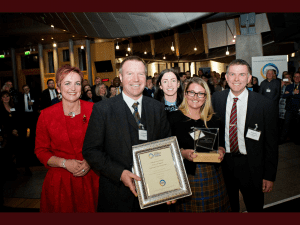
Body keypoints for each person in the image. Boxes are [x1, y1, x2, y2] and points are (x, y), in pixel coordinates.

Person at [82, 55, 175, 212]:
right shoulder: (103, 109)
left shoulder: (157, 108)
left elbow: (167, 147)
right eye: (130, 74)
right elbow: (91, 151)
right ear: (120, 77)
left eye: (140, 74)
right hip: (116, 195)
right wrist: (120, 173)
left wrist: (172, 185)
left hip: (154, 193)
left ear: (146, 78)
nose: (136, 79)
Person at [211, 59, 278, 212]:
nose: (236, 79)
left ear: (249, 78)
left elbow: (271, 143)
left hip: (252, 165)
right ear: (226, 78)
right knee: (228, 207)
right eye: (232, 74)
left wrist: (269, 175)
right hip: (224, 164)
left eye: (242, 74)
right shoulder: (216, 99)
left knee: (254, 207)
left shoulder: (265, 104)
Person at [34, 65, 99, 212]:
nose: (73, 88)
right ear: (58, 87)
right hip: (60, 183)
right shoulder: (46, 115)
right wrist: (64, 163)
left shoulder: (94, 110)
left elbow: (104, 144)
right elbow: (41, 151)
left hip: (91, 179)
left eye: (77, 83)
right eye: (67, 83)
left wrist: (90, 162)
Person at [167, 77, 231, 212]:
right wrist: (183, 153)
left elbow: (221, 144)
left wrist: (221, 151)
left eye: (201, 93)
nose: (196, 97)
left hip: (212, 175)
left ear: (206, 97)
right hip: (185, 176)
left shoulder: (214, 119)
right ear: (185, 94)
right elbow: (165, 150)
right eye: (192, 92)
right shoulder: (173, 118)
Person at [280, 72, 300, 144]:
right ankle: (282, 139)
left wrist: (289, 94)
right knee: (286, 125)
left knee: (297, 125)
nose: (297, 78)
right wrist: (293, 93)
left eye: (298, 76)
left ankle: (296, 140)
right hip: (289, 109)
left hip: (298, 109)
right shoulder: (289, 86)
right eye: (295, 76)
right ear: (293, 78)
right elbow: (284, 96)